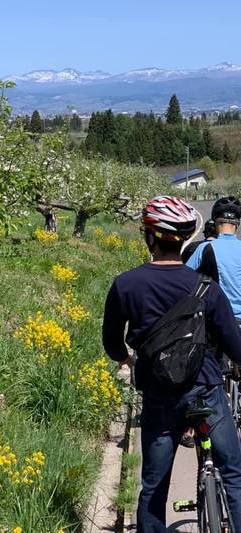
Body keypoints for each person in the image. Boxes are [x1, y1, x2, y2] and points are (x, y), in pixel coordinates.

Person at [102, 195, 241, 532]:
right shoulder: (205, 287)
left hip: (158, 393)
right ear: (184, 238)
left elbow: (111, 342)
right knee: (233, 474)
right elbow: (234, 344)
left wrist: (128, 360)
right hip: (205, 387)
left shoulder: (125, 285)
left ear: (150, 236)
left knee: (154, 485)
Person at [187, 196, 241, 318]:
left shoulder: (205, 248)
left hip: (219, 320)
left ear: (215, 221)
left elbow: (183, 278)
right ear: (237, 223)